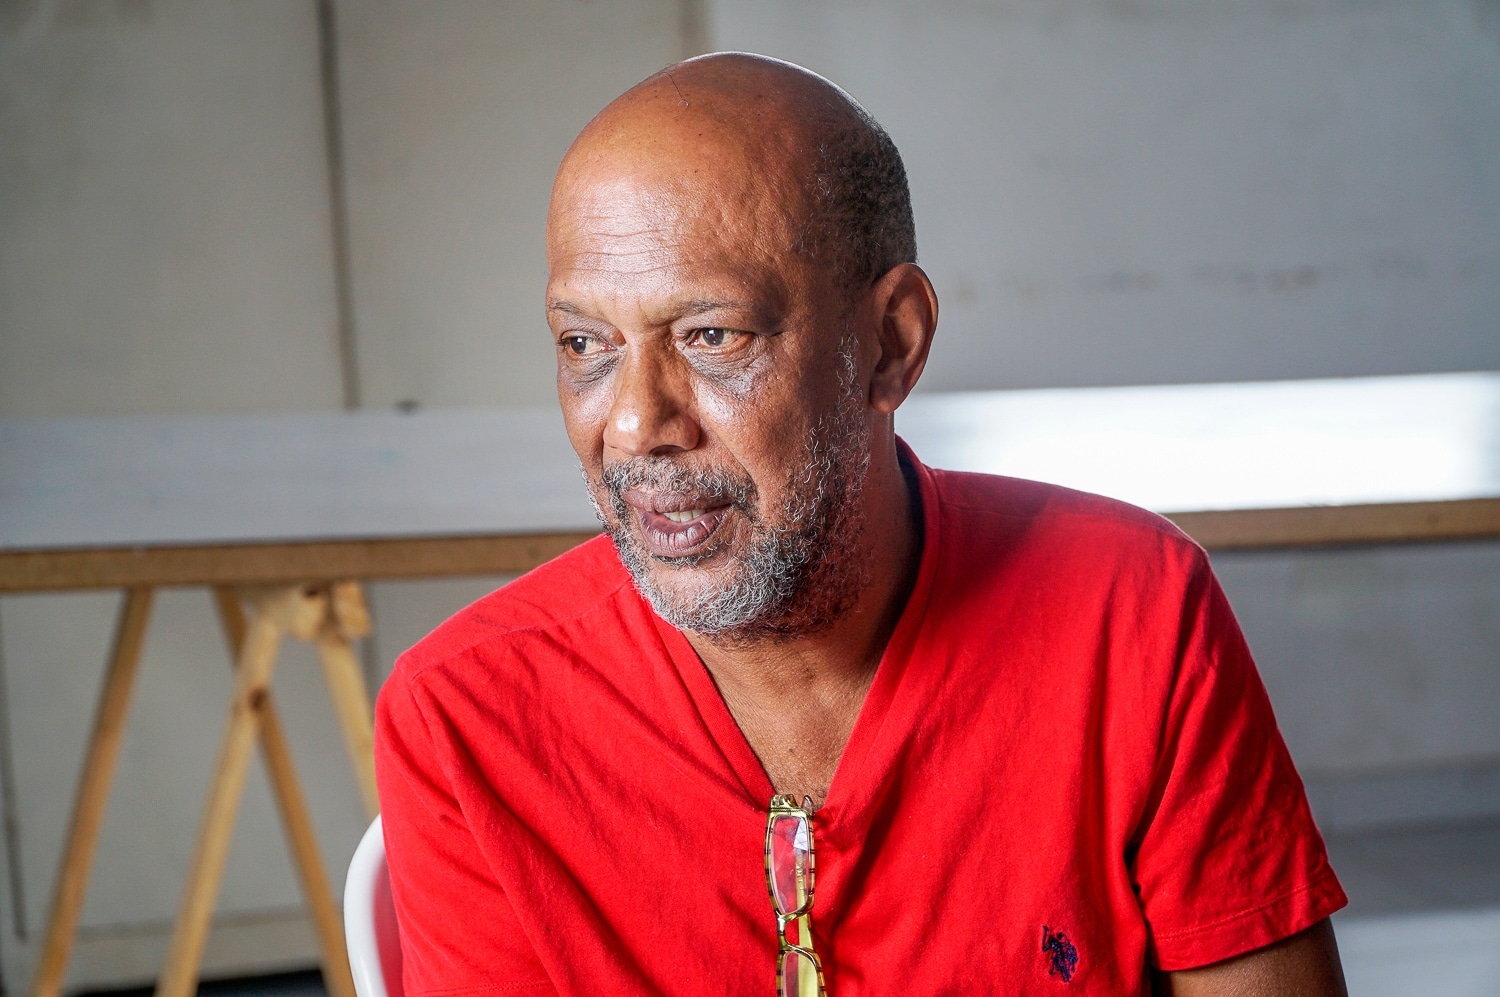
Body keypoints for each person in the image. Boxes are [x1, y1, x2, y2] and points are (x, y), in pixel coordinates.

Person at [375, 53, 1349, 996]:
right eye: (586, 343)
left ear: (890, 343)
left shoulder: (1131, 616)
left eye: (711, 335)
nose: (634, 424)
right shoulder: (468, 718)